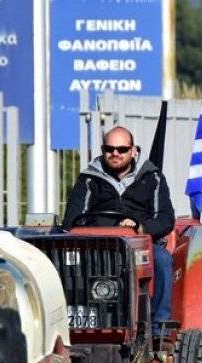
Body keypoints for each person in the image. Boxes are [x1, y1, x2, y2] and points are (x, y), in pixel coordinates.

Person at [62, 126, 175, 330]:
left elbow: (165, 220)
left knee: (162, 259)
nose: (115, 153)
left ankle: (160, 327)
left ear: (133, 151)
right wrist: (105, 226)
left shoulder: (152, 177)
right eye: (109, 148)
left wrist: (141, 227)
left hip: (139, 245)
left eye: (122, 149)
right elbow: (72, 221)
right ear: (103, 150)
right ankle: (72, 321)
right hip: (97, 245)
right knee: (66, 262)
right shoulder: (88, 179)